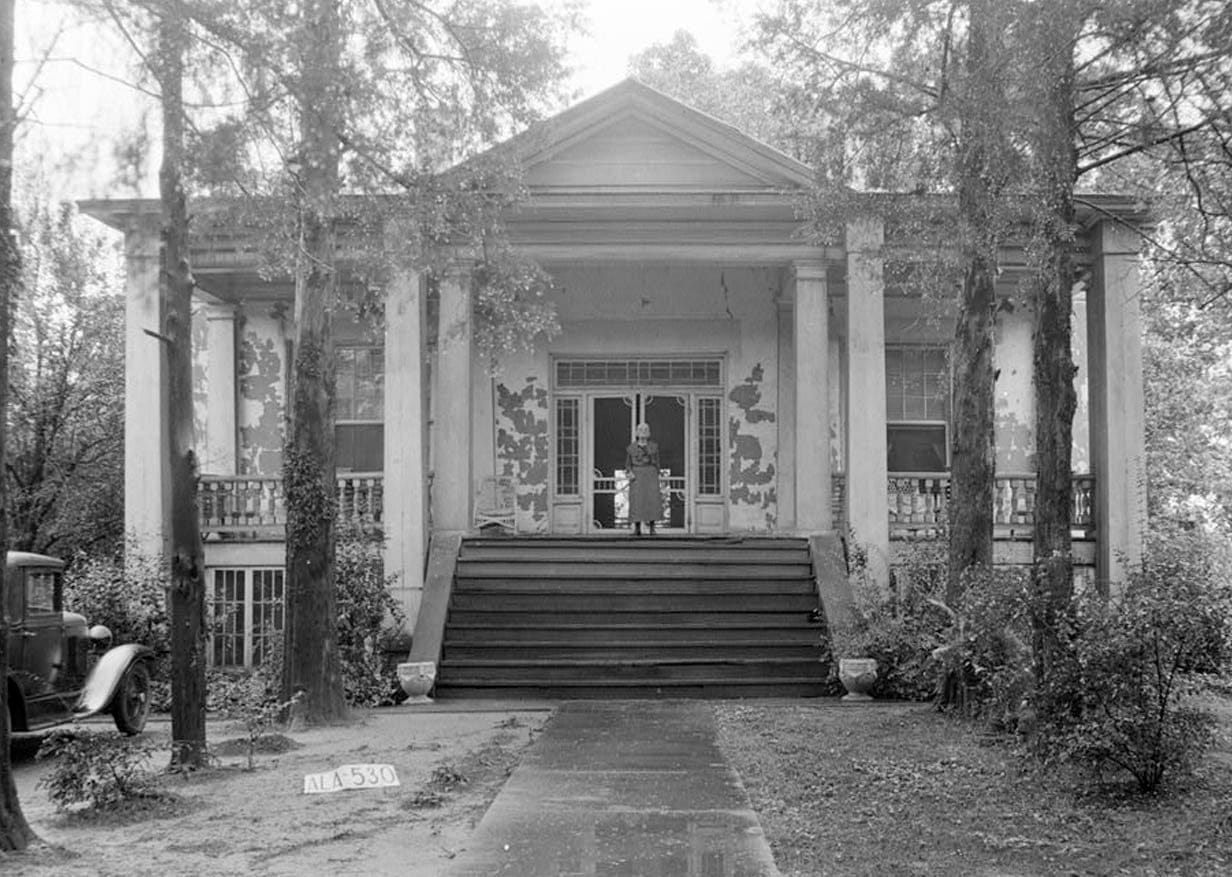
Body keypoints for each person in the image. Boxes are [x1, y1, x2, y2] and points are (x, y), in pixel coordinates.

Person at [626, 422, 661, 536]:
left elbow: (657, 462)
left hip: (650, 475)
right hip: (637, 476)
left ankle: (652, 527)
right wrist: (630, 472)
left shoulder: (654, 446)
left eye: (646, 429)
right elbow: (628, 464)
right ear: (636, 432)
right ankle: (637, 528)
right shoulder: (631, 448)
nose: (643, 431)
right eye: (640, 429)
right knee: (637, 501)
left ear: (649, 432)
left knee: (652, 500)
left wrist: (657, 473)